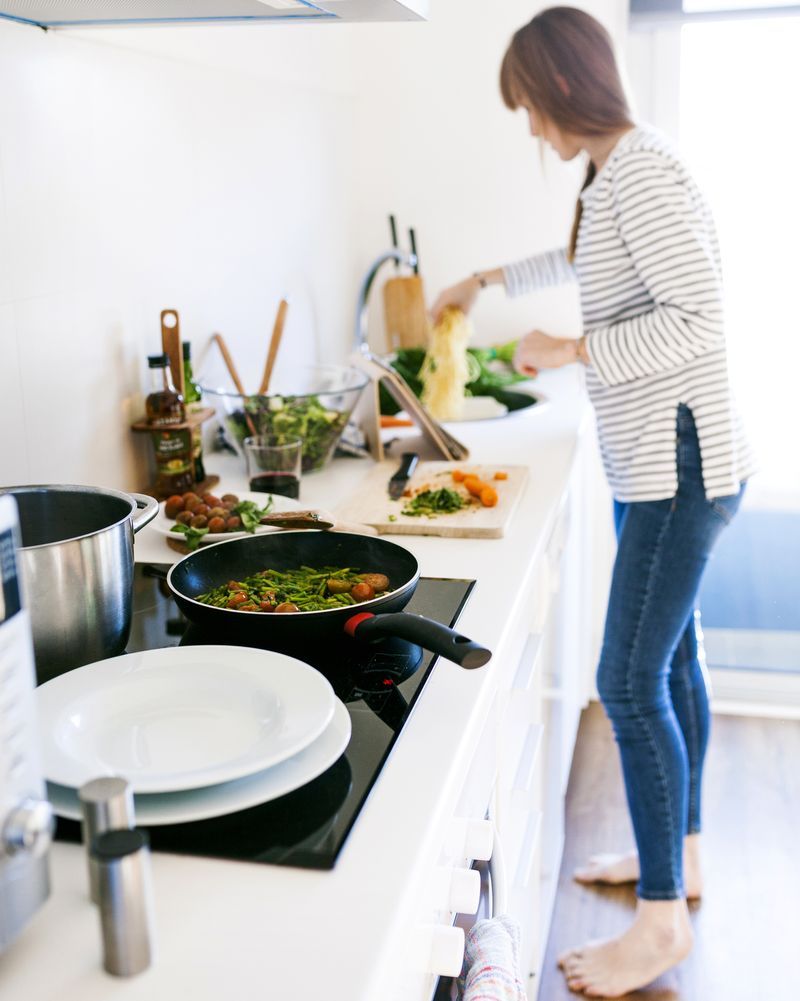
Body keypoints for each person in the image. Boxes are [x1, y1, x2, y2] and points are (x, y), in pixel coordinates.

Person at [431, 6, 756, 997]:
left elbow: (695, 317)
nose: (529, 127)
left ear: (561, 88)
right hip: (656, 464)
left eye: (528, 104)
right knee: (673, 666)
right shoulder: (615, 171)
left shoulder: (642, 172)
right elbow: (592, 264)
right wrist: (489, 278)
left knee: (625, 682)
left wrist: (568, 349)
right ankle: (681, 863)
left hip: (678, 466)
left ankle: (659, 924)